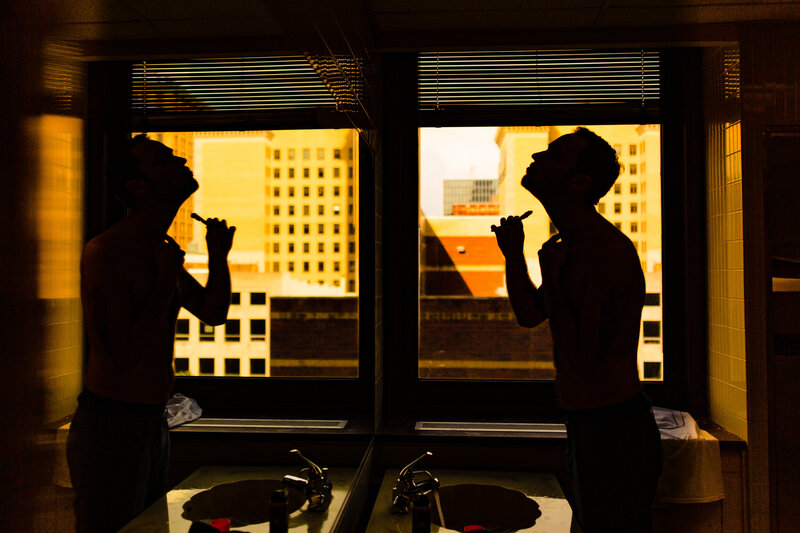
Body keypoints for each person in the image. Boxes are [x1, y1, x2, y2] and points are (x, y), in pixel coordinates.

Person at [492, 127, 662, 533]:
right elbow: (531, 314)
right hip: (591, 425)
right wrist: (514, 257)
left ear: (579, 182)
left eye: (552, 155)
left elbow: (585, 360)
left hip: (613, 432)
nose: (535, 158)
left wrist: (550, 271)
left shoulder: (602, 251)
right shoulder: (567, 245)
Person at [67, 134, 235, 532]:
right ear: (137, 187)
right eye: (163, 160)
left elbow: (213, 313)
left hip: (149, 422)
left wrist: (218, 257)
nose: (180, 160)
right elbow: (125, 359)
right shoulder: (108, 251)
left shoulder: (158, 250)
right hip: (112, 428)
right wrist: (163, 282)